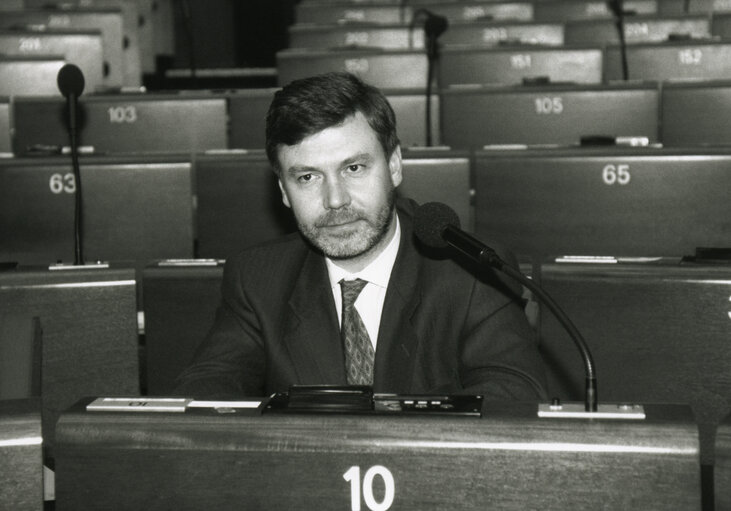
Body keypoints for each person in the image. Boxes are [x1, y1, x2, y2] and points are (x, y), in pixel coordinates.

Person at [174, 72, 547, 400]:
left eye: (353, 168)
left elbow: (514, 392)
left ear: (395, 165)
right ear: (284, 192)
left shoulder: (472, 270)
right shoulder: (257, 278)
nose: (335, 199)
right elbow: (205, 389)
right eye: (308, 177)